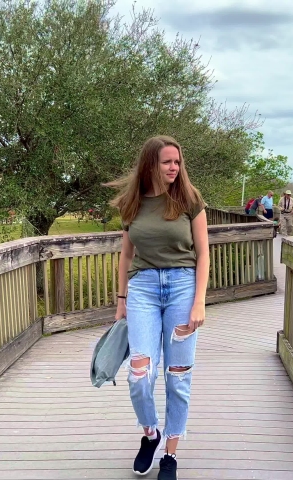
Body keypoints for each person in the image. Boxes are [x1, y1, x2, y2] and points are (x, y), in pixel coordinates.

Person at [106, 135, 210, 480]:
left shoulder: (189, 199)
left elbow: (204, 253)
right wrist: (121, 301)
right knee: (139, 376)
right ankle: (150, 434)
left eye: (177, 162)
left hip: (183, 288)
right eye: (167, 162)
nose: (174, 167)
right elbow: (126, 255)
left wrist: (199, 301)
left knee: (178, 377)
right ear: (151, 164)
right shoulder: (131, 203)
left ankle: (170, 454)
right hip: (143, 290)